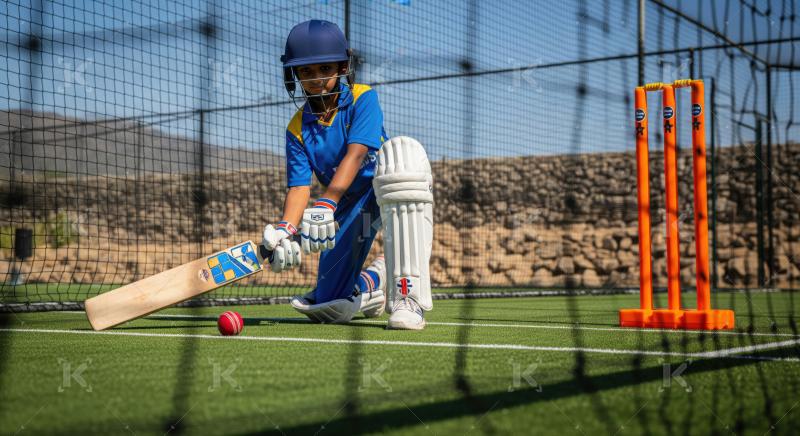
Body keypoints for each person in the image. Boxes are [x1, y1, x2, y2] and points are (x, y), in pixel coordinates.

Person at [262, 20, 434, 330]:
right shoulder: (297, 127)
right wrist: (287, 230)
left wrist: (326, 202)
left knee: (402, 156)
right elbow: (299, 188)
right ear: (294, 75)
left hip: (385, 189)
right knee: (331, 305)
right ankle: (373, 281)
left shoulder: (362, 97)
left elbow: (356, 153)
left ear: (343, 65)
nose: (316, 79)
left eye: (325, 67)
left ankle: (408, 297)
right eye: (306, 71)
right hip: (348, 204)